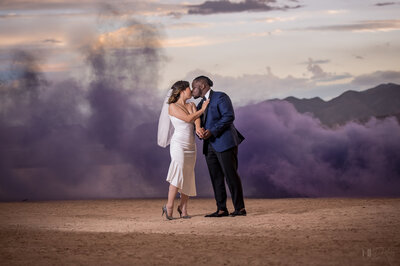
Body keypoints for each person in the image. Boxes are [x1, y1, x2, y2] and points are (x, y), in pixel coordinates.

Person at [191, 76, 246, 217]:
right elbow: (197, 121)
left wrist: (212, 131)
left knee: (230, 175)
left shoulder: (221, 97)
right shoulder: (200, 104)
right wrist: (201, 132)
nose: (192, 91)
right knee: (216, 177)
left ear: (202, 86)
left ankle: (240, 209)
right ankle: (221, 209)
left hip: (225, 142)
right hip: (209, 145)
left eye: (194, 87)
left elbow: (228, 116)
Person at [157, 80, 209, 220]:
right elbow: (187, 119)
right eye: (188, 89)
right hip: (178, 144)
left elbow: (195, 119)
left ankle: (183, 208)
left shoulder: (191, 105)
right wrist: (203, 109)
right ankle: (169, 207)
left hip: (191, 145)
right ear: (181, 91)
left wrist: (198, 128)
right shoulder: (172, 107)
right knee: (177, 173)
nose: (191, 91)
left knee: (188, 175)